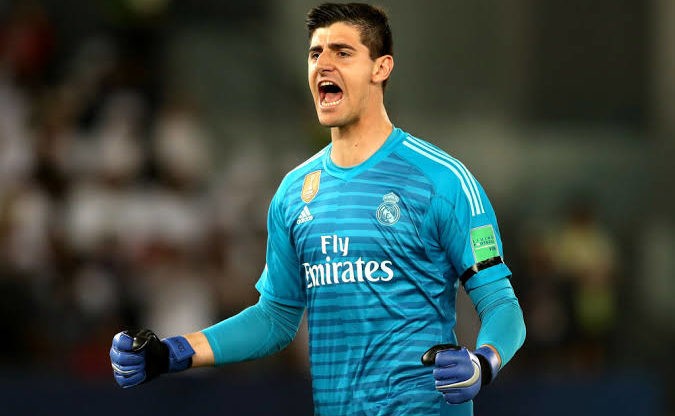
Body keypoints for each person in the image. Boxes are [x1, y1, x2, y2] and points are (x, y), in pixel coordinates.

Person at [109, 3, 526, 415]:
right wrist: (171, 352)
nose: (323, 65)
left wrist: (483, 362)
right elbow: (274, 319)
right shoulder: (293, 193)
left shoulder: (442, 181)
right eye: (315, 54)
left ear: (381, 68)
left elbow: (501, 305)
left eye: (342, 53)